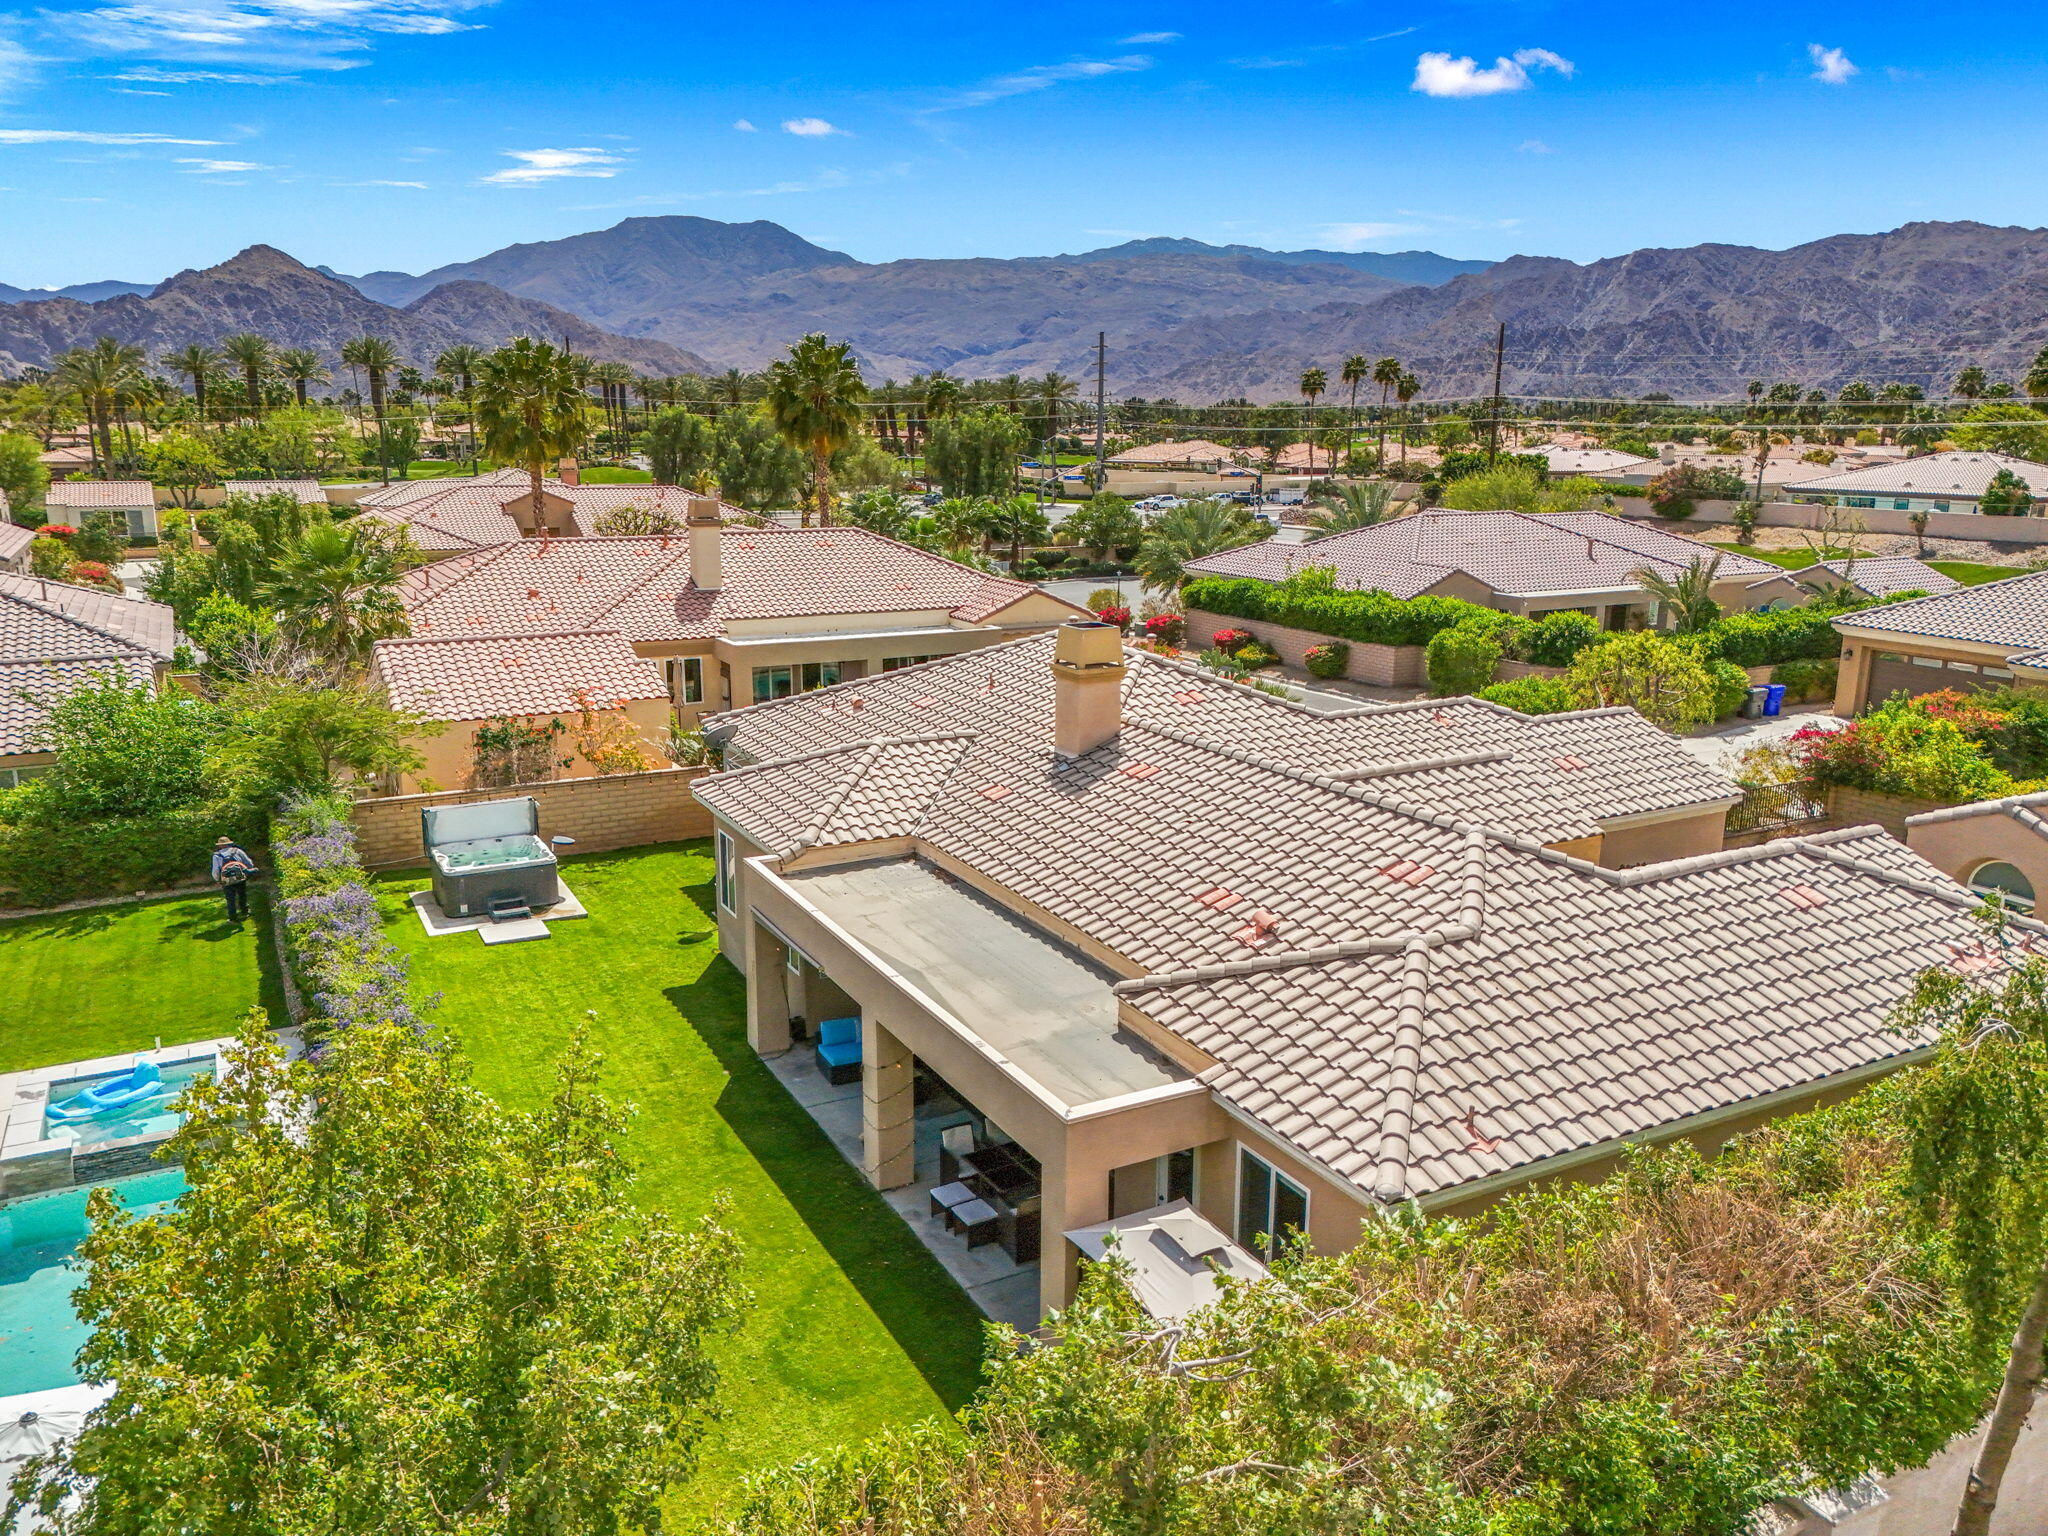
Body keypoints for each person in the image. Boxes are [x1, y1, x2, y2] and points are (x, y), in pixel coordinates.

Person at [211, 835, 256, 922]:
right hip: (240, 878)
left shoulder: (216, 856)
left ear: (219, 845)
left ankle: (233, 918)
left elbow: (215, 871)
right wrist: (247, 871)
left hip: (226, 880)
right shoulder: (237, 851)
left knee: (230, 899)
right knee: (242, 895)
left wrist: (218, 880)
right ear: (229, 843)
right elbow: (249, 863)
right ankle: (245, 911)